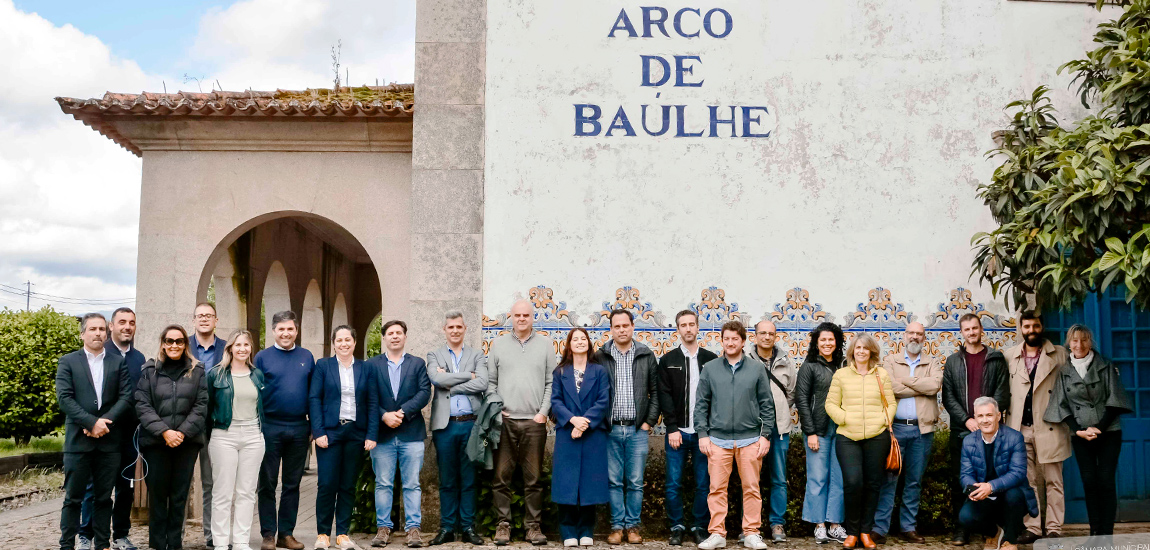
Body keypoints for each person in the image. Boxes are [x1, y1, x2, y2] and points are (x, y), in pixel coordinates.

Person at [1044, 324, 1132, 536]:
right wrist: (1078, 430)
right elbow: (1060, 405)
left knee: (1106, 481)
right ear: (1069, 343)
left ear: (1090, 342)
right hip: (1080, 434)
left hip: (1108, 431)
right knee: (1090, 482)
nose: (1079, 345)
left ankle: (1106, 537)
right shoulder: (1064, 371)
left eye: (1084, 340)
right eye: (1074, 340)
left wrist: (1098, 428)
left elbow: (1115, 400)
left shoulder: (1106, 365)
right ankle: (1094, 535)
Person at [695, 321, 774, 550]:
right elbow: (701, 404)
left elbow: (766, 404)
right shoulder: (710, 368)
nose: (730, 343)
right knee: (716, 489)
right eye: (726, 339)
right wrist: (703, 434)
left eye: (735, 339)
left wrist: (765, 435)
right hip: (718, 440)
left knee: (751, 488)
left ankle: (751, 533)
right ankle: (717, 533)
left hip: (750, 439)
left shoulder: (757, 369)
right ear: (722, 340)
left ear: (743, 341)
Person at [57, 313, 133, 550]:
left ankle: (102, 544)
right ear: (83, 334)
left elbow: (126, 396)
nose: (98, 333)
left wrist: (103, 423)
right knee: (73, 499)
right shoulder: (68, 361)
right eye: (93, 329)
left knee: (103, 498)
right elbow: (65, 399)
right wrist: (91, 423)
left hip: (109, 443)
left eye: (102, 329)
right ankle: (67, 545)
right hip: (78, 441)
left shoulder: (117, 362)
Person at [486, 299, 556, 546]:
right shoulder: (498, 344)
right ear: (511, 317)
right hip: (504, 422)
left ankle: (533, 528)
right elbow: (490, 382)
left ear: (532, 317)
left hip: (534, 422)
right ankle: (503, 526)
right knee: (501, 477)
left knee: (533, 479)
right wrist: (496, 410)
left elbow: (551, 382)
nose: (522, 319)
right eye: (517, 315)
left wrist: (543, 413)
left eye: (526, 315)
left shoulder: (546, 345)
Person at [135, 325, 210, 550]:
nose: (174, 345)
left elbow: (201, 405)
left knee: (179, 497)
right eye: (169, 341)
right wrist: (165, 431)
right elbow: (142, 404)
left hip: (186, 444)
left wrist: (182, 433)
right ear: (163, 343)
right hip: (156, 443)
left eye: (179, 341)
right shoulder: (149, 371)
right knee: (157, 497)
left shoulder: (197, 371)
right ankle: (158, 544)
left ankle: (175, 543)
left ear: (185, 345)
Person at [79, 307, 145, 550]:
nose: (127, 327)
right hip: (101, 433)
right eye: (122, 322)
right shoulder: (99, 353)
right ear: (111, 327)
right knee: (95, 487)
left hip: (129, 435)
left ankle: (120, 535)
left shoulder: (139, 358)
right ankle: (87, 534)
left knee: (125, 487)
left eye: (131, 323)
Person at [941, 314, 1010, 546]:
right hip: (962, 431)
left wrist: (985, 422)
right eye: (967, 329)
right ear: (962, 332)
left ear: (981, 330)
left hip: (991, 433)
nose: (971, 332)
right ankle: (962, 529)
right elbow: (948, 396)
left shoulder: (996, 359)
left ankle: (988, 527)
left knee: (990, 479)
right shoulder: (952, 361)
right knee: (960, 479)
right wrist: (967, 419)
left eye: (975, 328)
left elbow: (1002, 393)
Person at [592, 309, 659, 545]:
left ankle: (633, 527)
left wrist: (647, 422)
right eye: (616, 326)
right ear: (611, 329)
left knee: (635, 481)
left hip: (636, 429)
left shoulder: (645, 354)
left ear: (632, 327)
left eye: (625, 326)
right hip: (610, 429)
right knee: (613, 481)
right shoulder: (601, 356)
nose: (621, 330)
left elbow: (655, 392)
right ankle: (616, 527)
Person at [872, 322, 942, 545]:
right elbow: (889, 387)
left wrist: (906, 383)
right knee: (888, 479)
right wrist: (920, 385)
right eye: (911, 333)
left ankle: (908, 528)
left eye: (919, 334)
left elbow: (934, 387)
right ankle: (880, 529)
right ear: (904, 336)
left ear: (924, 338)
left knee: (914, 481)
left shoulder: (933, 362)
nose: (915, 337)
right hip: (896, 429)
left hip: (923, 430)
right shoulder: (891, 360)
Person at [310, 326, 379, 550]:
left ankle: (342, 534)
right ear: (334, 343)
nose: (343, 344)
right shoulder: (323, 366)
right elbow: (314, 399)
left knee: (348, 485)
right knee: (327, 484)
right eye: (339, 340)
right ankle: (322, 533)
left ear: (354, 342)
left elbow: (372, 402)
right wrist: (318, 432)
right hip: (330, 432)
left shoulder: (365, 368)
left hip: (356, 433)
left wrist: (371, 434)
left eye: (347, 339)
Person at [824, 333, 895, 550]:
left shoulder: (880, 374)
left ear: (872, 351)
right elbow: (830, 404)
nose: (861, 351)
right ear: (852, 351)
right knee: (853, 483)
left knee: (873, 485)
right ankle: (852, 533)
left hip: (877, 436)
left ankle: (865, 532)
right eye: (858, 348)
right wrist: (845, 419)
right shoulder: (841, 374)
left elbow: (891, 403)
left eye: (865, 348)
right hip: (848, 438)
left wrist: (883, 421)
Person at [1004, 312, 1069, 543]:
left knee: (1054, 480)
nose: (1032, 330)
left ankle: (1054, 528)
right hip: (1020, 427)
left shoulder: (1060, 354)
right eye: (1027, 326)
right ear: (1021, 328)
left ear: (1042, 327)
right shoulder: (1010, 355)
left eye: (1036, 325)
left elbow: (1071, 388)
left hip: (1050, 426)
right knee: (1028, 480)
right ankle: (1033, 528)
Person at [368, 320, 432, 548]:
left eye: (399, 333)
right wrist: (384, 415)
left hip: (411, 433)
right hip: (382, 434)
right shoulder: (372, 365)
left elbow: (425, 392)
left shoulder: (417, 364)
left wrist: (402, 412)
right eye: (390, 333)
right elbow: (366, 396)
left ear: (405, 337)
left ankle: (413, 529)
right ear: (384, 337)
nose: (395, 336)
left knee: (412, 483)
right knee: (383, 483)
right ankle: (383, 528)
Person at [657, 310, 718, 546]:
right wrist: (671, 427)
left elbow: (716, 396)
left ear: (697, 327)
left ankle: (699, 526)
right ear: (678, 329)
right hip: (678, 432)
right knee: (674, 483)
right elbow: (664, 395)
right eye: (683, 325)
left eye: (692, 324)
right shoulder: (668, 360)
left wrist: (709, 430)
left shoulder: (711, 359)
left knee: (704, 483)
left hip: (704, 434)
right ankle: (677, 526)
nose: (688, 329)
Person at [255, 311, 316, 550]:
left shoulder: (306, 356)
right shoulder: (262, 357)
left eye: (290, 329)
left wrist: (313, 426)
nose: (285, 333)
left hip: (300, 427)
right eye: (281, 329)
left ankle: (286, 534)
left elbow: (313, 394)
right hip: (270, 426)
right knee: (267, 483)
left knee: (292, 484)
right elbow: (256, 393)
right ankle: (268, 534)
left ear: (296, 331)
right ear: (273, 331)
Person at [427, 312, 488, 546]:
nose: (455, 330)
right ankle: (447, 528)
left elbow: (482, 382)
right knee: (447, 480)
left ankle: (468, 528)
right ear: (444, 329)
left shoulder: (477, 354)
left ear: (465, 329)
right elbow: (436, 380)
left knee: (470, 479)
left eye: (459, 327)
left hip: (471, 424)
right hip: (445, 426)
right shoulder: (434, 354)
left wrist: (452, 383)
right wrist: (467, 377)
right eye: (450, 327)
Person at [551, 328, 612, 548]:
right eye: (575, 339)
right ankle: (567, 531)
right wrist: (573, 421)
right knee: (566, 483)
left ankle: (586, 529)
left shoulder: (599, 371)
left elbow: (603, 401)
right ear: (568, 344)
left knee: (589, 483)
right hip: (567, 433)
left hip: (593, 434)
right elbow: (556, 402)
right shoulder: (560, 372)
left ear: (588, 343)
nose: (579, 342)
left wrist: (584, 423)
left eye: (583, 338)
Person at [206, 330, 266, 550]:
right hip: (224, 435)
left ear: (251, 348)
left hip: (253, 436)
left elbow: (261, 407)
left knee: (247, 492)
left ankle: (241, 541)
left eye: (247, 345)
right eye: (238, 344)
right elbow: (207, 407)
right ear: (230, 347)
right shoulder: (216, 375)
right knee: (222, 492)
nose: (242, 349)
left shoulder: (257, 374)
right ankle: (221, 543)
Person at [958, 397, 1039, 550]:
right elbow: (965, 474)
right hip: (984, 495)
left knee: (1014, 496)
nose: (985, 420)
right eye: (980, 416)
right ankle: (993, 533)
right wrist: (973, 488)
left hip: (1010, 494)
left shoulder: (1014, 437)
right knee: (965, 517)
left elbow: (1018, 472)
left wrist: (991, 486)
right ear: (975, 418)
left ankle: (1010, 540)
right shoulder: (968, 441)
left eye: (989, 415)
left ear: (998, 416)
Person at [794, 322, 847, 544]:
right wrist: (811, 432)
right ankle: (819, 525)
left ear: (837, 343)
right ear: (817, 342)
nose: (827, 343)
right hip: (819, 430)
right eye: (823, 339)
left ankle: (835, 524)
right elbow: (802, 401)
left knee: (840, 478)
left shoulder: (844, 366)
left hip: (843, 431)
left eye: (831, 339)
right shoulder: (809, 367)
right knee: (817, 478)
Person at [749, 320, 796, 544]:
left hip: (779, 429)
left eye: (771, 333)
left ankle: (777, 523)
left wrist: (778, 410)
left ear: (775, 336)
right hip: (751, 430)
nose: (766, 337)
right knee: (751, 480)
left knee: (778, 479)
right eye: (762, 333)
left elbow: (792, 393)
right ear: (755, 336)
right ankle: (750, 525)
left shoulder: (786, 362)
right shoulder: (746, 359)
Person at [191, 303, 228, 549]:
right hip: (183, 423)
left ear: (216, 320)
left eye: (208, 315)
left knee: (210, 482)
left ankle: (211, 534)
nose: (204, 319)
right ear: (193, 320)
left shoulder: (227, 348)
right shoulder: (180, 344)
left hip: (213, 423)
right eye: (200, 315)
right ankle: (171, 536)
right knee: (179, 483)